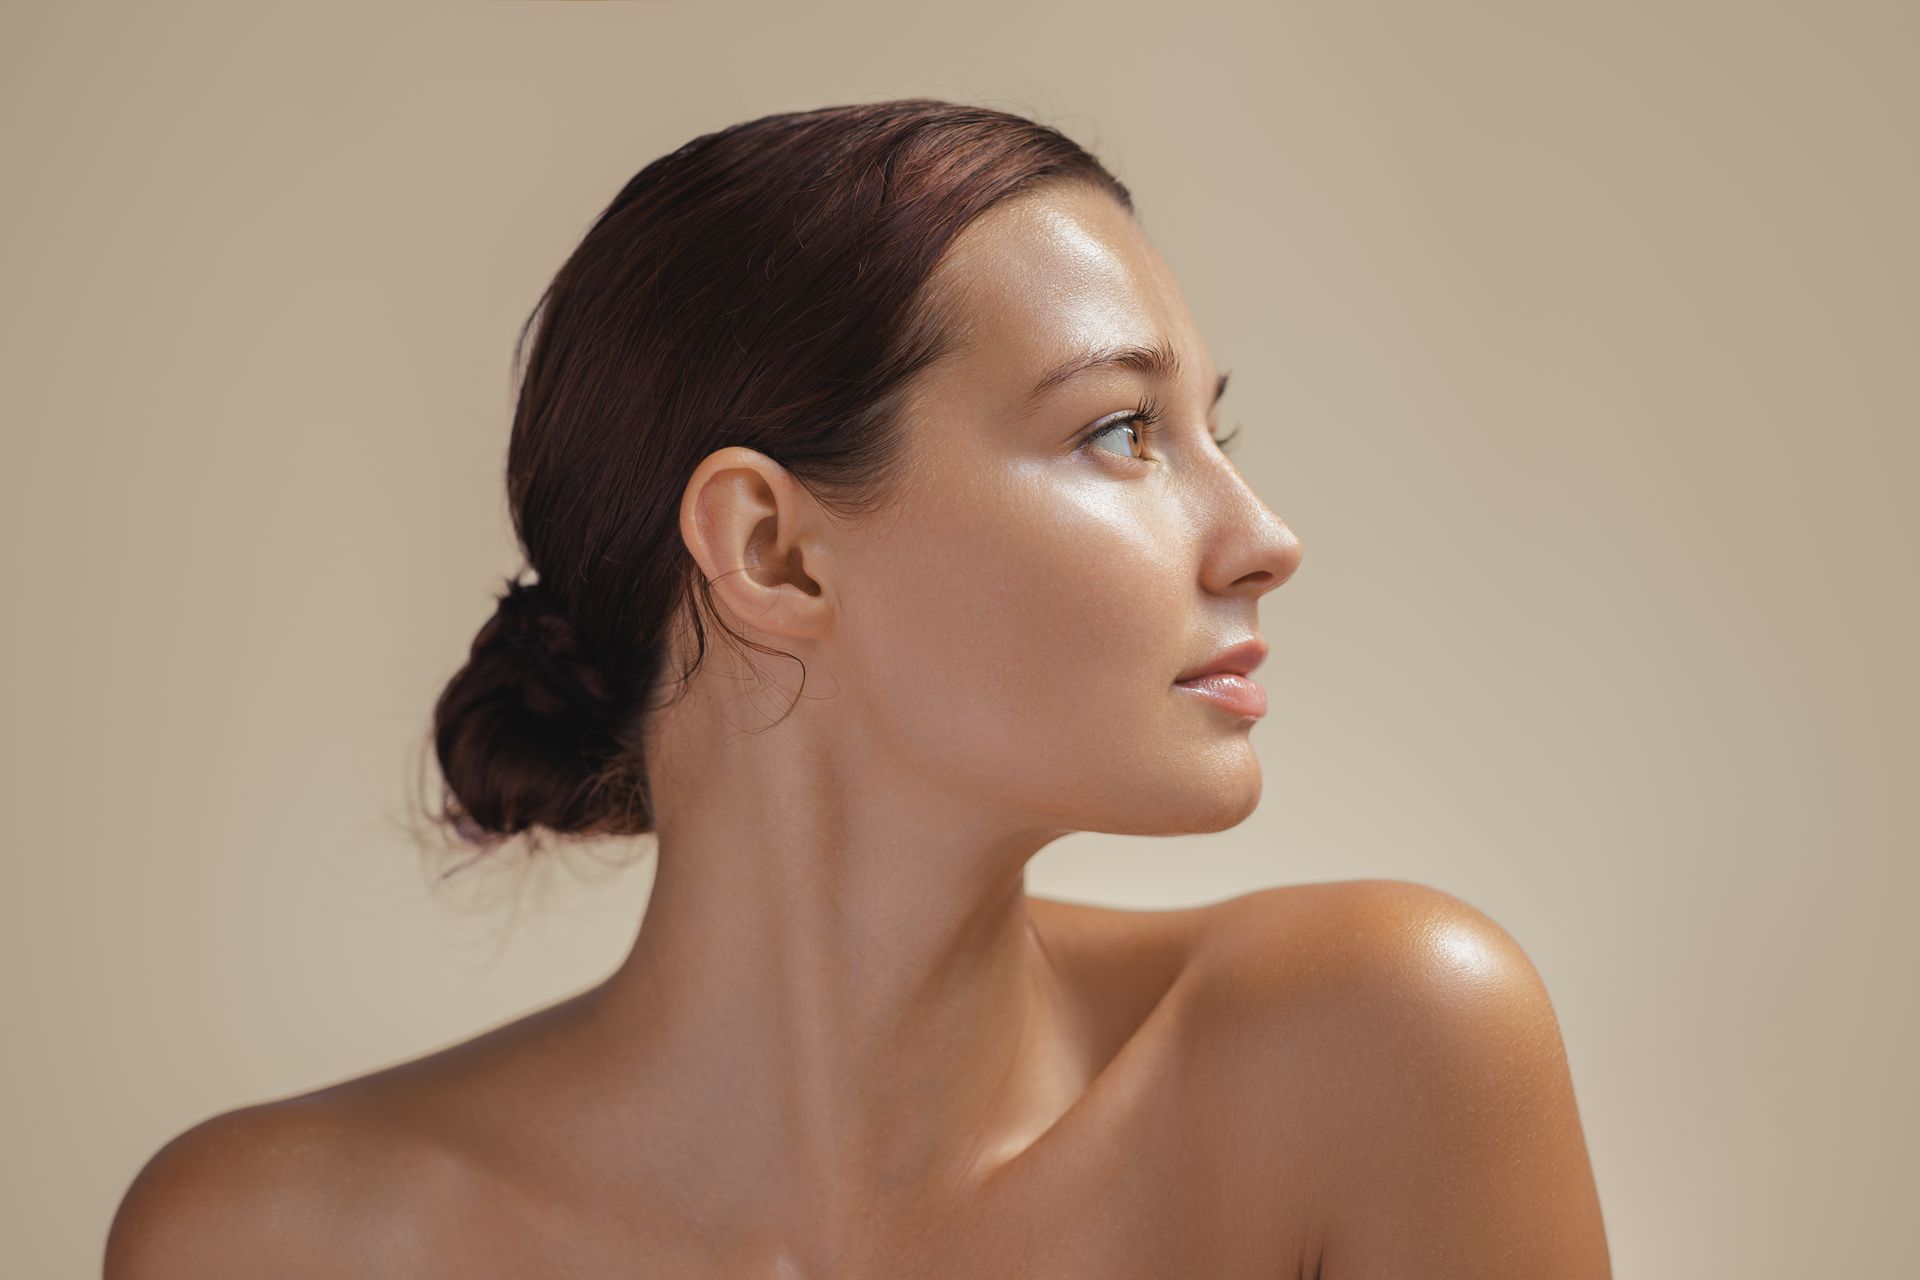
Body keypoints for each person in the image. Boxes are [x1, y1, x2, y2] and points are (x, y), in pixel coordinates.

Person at [105, 99, 1611, 1278]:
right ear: (773, 551)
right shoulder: (270, 1246)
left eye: (1211, 430)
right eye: (1119, 434)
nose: (1265, 540)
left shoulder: (1383, 1053)